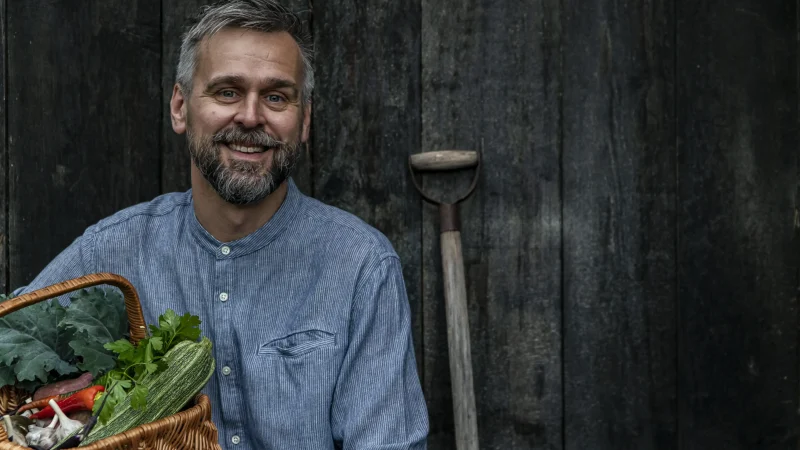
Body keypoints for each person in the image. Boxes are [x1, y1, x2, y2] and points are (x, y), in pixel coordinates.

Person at [12, 0, 429, 448]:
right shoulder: (110, 253)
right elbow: (9, 338)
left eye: (276, 96)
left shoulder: (360, 266)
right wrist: (45, 401)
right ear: (180, 107)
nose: (251, 117)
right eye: (227, 91)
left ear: (303, 120)